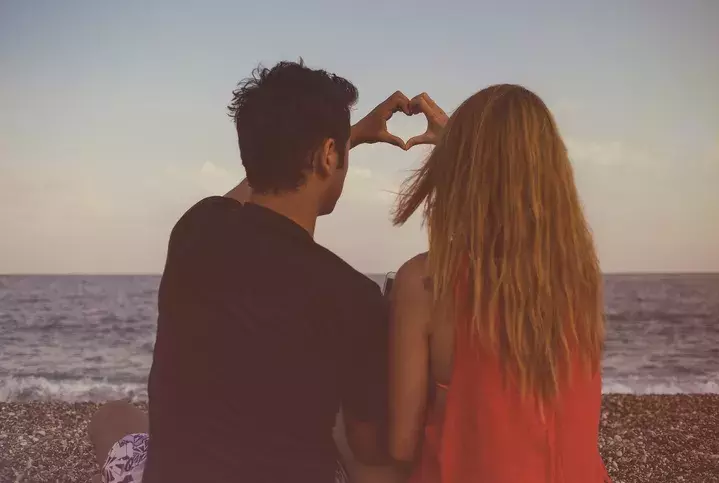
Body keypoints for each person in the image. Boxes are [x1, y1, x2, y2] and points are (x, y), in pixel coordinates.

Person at [89, 59, 413, 483]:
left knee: (114, 415)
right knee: (362, 445)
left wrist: (345, 137)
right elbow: (370, 449)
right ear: (328, 156)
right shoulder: (352, 295)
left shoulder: (194, 230)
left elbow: (247, 192)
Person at [388, 87, 611, 482]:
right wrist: (465, 144)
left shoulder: (427, 282)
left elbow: (401, 446)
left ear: (460, 171)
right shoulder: (578, 278)